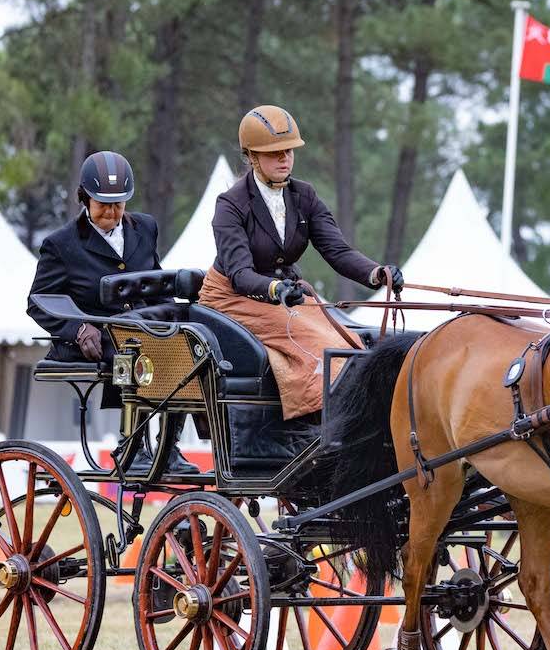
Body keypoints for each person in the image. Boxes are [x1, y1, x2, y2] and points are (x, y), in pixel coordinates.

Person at [201, 105, 403, 419]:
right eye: (274, 152)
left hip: (285, 294)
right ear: (252, 156)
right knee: (320, 346)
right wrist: (275, 289)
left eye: (289, 151)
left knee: (349, 343)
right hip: (232, 298)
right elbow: (240, 274)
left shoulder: (304, 196)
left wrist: (377, 273)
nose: (284, 158)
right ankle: (318, 429)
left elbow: (337, 251)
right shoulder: (230, 205)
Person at [27, 150, 197, 473]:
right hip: (96, 339)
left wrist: (175, 319)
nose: (112, 211)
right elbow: (38, 300)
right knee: (138, 350)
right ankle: (130, 446)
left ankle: (167, 447)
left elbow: (155, 283)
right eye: (103, 203)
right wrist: (77, 328)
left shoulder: (145, 229)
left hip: (143, 328)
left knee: (188, 349)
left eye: (119, 203)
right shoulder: (61, 245)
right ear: (84, 198)